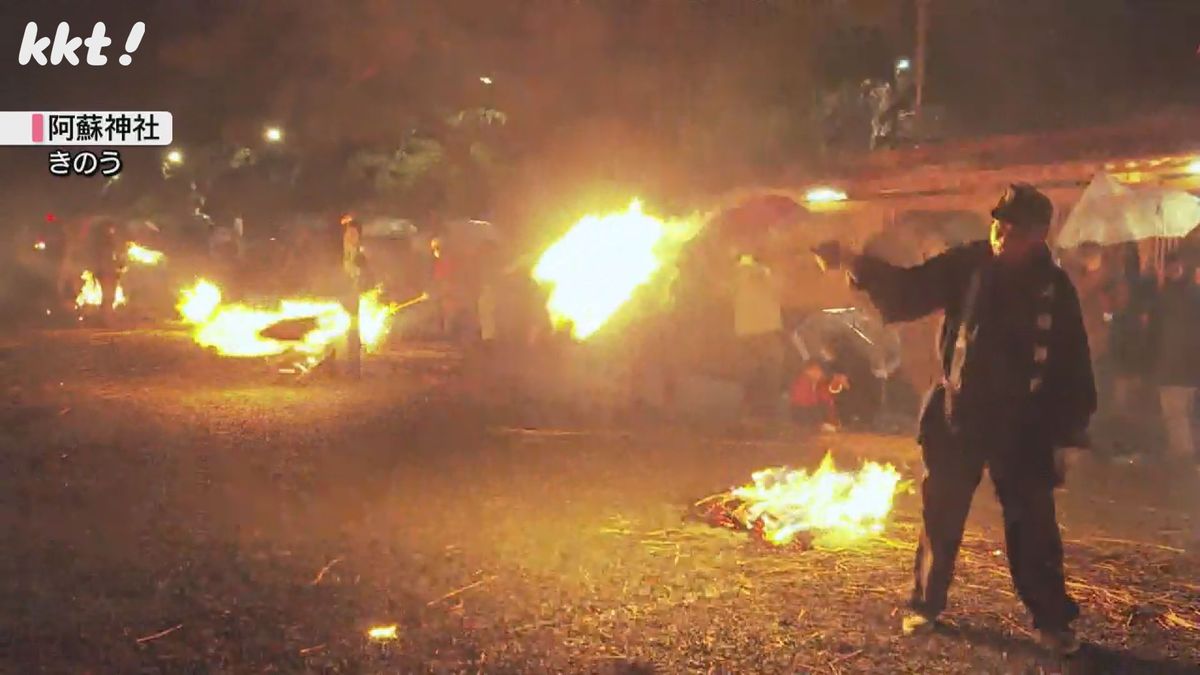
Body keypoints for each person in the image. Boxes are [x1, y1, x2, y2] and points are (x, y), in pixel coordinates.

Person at [812, 183, 1096, 656]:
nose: (1002, 234)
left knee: (1034, 526)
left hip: (1023, 424)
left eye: (1014, 228)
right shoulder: (968, 263)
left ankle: (1051, 621)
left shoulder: (1054, 287)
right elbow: (909, 290)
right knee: (940, 517)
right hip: (958, 413)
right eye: (998, 224)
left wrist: (1068, 435)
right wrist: (854, 261)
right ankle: (925, 604)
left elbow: (1073, 362)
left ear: (1038, 235)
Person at [1147, 253, 1199, 466]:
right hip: (1188, 364)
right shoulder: (1193, 294)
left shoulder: (1164, 297)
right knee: (1183, 411)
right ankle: (1183, 450)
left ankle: (1182, 452)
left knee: (1175, 413)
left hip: (1173, 365)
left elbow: (1154, 332)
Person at [733, 252, 785, 419]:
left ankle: (755, 414)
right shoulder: (760, 275)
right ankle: (760, 414)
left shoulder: (745, 277)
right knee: (765, 374)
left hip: (753, 332)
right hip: (760, 331)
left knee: (757, 375)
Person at [789, 359, 848, 432]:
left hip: (815, 420)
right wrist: (819, 425)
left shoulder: (819, 384)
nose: (819, 373)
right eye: (815, 370)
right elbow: (803, 408)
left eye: (819, 370)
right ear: (807, 370)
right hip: (805, 421)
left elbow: (828, 400)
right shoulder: (802, 383)